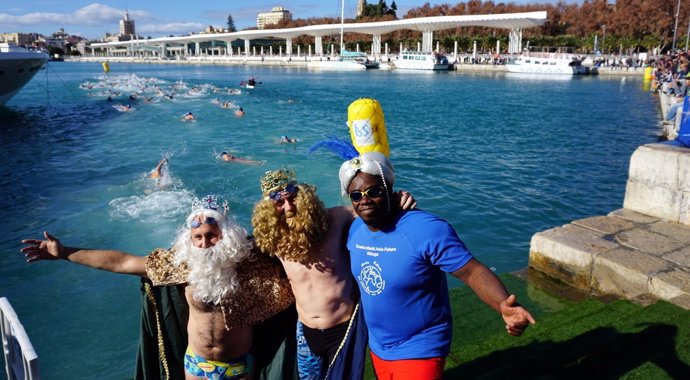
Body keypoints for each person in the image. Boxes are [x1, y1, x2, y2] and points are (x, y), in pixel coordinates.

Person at [20, 196, 295, 380]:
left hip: (238, 365)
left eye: (211, 236)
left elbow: (295, 251)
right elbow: (123, 262)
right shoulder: (182, 265)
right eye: (197, 237)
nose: (204, 243)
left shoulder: (251, 262)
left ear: (226, 235)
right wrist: (65, 252)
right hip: (196, 364)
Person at [339, 152, 536, 379]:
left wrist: (502, 304)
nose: (365, 200)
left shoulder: (425, 229)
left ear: (389, 189)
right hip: (378, 346)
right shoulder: (354, 232)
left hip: (420, 346)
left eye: (373, 192)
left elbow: (471, 271)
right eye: (356, 195)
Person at [251, 169, 415, 379]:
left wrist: (397, 200)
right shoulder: (271, 238)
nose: (289, 207)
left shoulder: (336, 218)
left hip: (343, 331)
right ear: (269, 210)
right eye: (279, 204)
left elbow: (371, 207)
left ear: (303, 197)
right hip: (305, 333)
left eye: (293, 199)